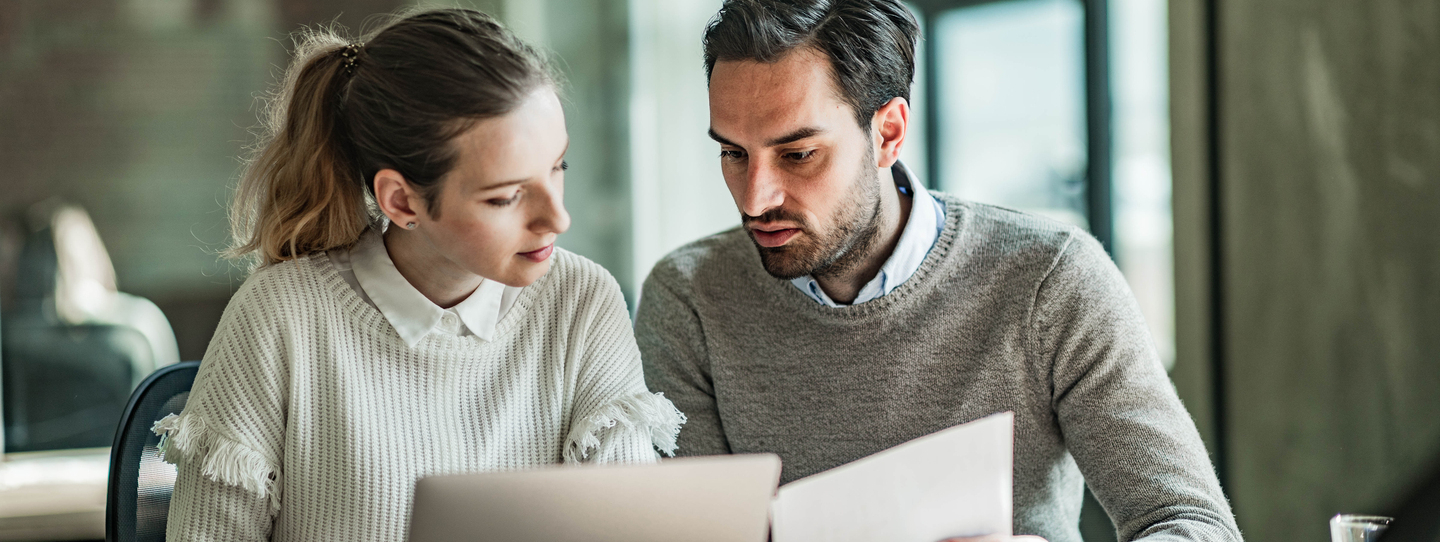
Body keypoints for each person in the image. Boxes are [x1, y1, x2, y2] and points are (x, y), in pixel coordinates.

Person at [634, 1, 1241, 541]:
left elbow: (1190, 523)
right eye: (733, 153)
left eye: (798, 155)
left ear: (888, 133)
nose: (755, 198)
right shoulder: (689, 297)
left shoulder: (1050, 279)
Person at [153, 9, 684, 541]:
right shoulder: (278, 317)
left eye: (558, 167)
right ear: (402, 201)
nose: (558, 219)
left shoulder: (583, 302)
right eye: (506, 196)